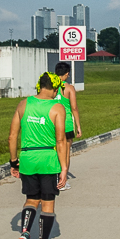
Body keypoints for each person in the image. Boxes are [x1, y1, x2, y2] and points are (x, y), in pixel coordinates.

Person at [9, 73, 68, 239]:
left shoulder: (23, 104)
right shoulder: (57, 107)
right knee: (48, 203)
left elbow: (12, 136)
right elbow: (60, 140)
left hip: (27, 157)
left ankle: (25, 234)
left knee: (31, 199)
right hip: (48, 159)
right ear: (55, 88)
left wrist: (13, 161)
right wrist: (64, 167)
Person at [54, 61, 82, 191]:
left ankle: (53, 178)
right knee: (65, 152)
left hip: (52, 124)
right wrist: (78, 126)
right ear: (66, 74)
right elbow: (74, 108)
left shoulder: (50, 87)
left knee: (53, 151)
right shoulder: (69, 88)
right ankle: (63, 180)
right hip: (66, 124)